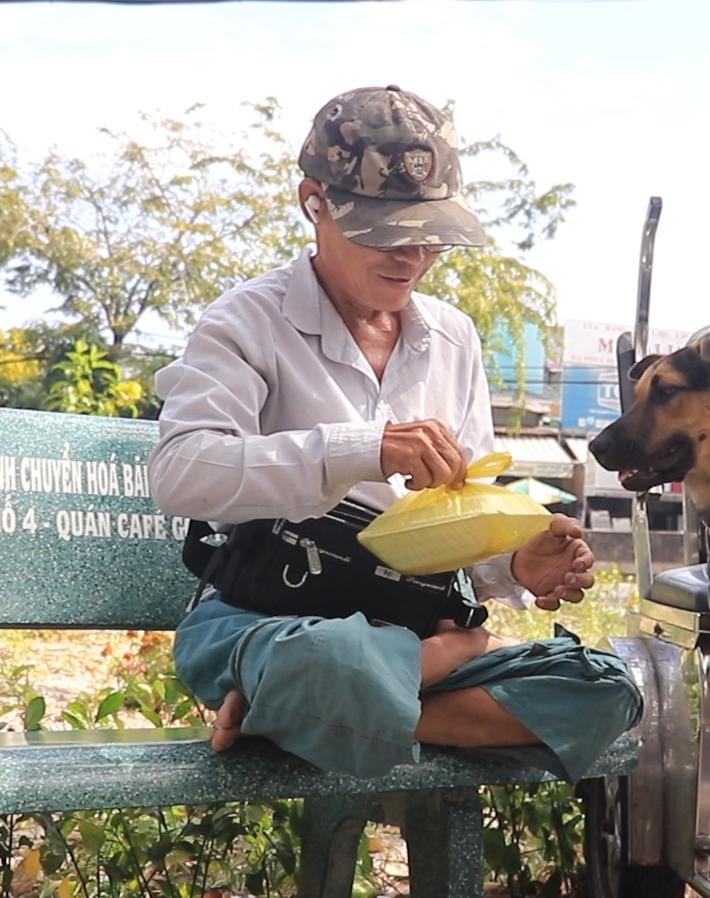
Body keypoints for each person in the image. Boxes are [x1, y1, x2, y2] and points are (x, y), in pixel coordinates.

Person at [149, 85, 642, 780]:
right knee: (329, 662)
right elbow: (181, 474)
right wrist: (363, 448)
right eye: (382, 230)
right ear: (313, 202)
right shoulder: (246, 321)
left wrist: (513, 564)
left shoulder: (452, 337)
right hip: (268, 624)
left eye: (429, 233)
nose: (410, 255)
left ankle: (289, 713)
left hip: (401, 630)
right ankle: (354, 688)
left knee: (604, 688)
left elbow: (462, 516)